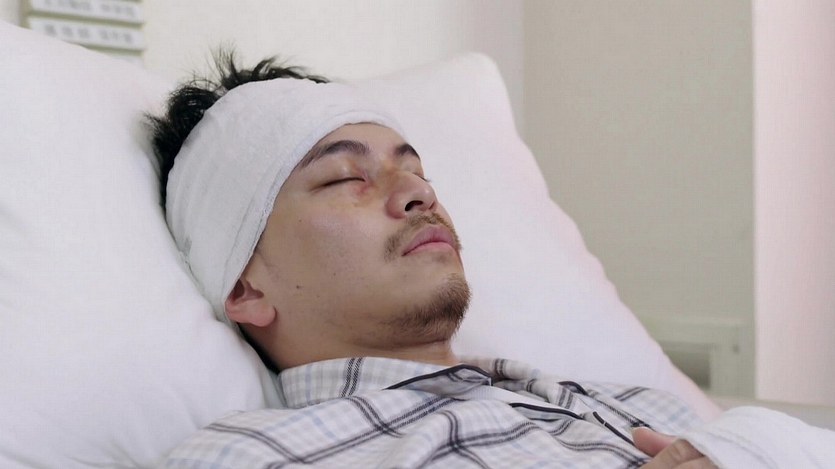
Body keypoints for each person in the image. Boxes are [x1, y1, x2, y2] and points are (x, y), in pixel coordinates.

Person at [150, 54, 832, 468]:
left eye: (416, 171)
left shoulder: (635, 405)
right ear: (246, 286)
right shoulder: (250, 455)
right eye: (345, 178)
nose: (419, 194)